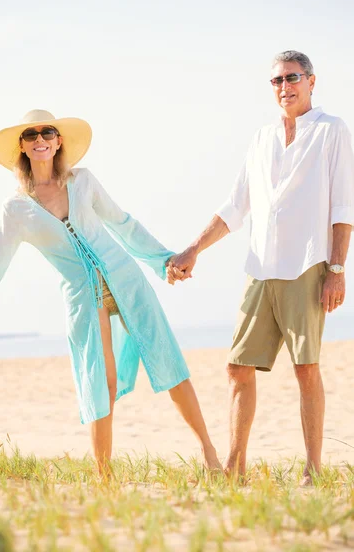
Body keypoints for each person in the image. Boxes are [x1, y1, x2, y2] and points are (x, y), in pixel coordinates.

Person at [0, 109, 222, 475]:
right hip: (82, 299)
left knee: (167, 359)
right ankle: (105, 476)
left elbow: (123, 224)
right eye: (31, 135)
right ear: (23, 147)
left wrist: (164, 260)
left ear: (58, 142)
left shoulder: (83, 180)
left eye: (47, 132)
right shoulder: (16, 208)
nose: (40, 139)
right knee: (100, 380)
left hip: (125, 279)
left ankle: (209, 453)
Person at [168, 51, 354, 485]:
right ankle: (235, 468)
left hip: (308, 265)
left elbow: (343, 206)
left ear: (311, 81)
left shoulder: (331, 131)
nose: (284, 87)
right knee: (237, 366)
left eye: (292, 78)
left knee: (305, 368)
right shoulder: (261, 139)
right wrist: (194, 249)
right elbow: (236, 207)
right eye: (276, 81)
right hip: (260, 269)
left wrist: (337, 268)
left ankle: (313, 470)